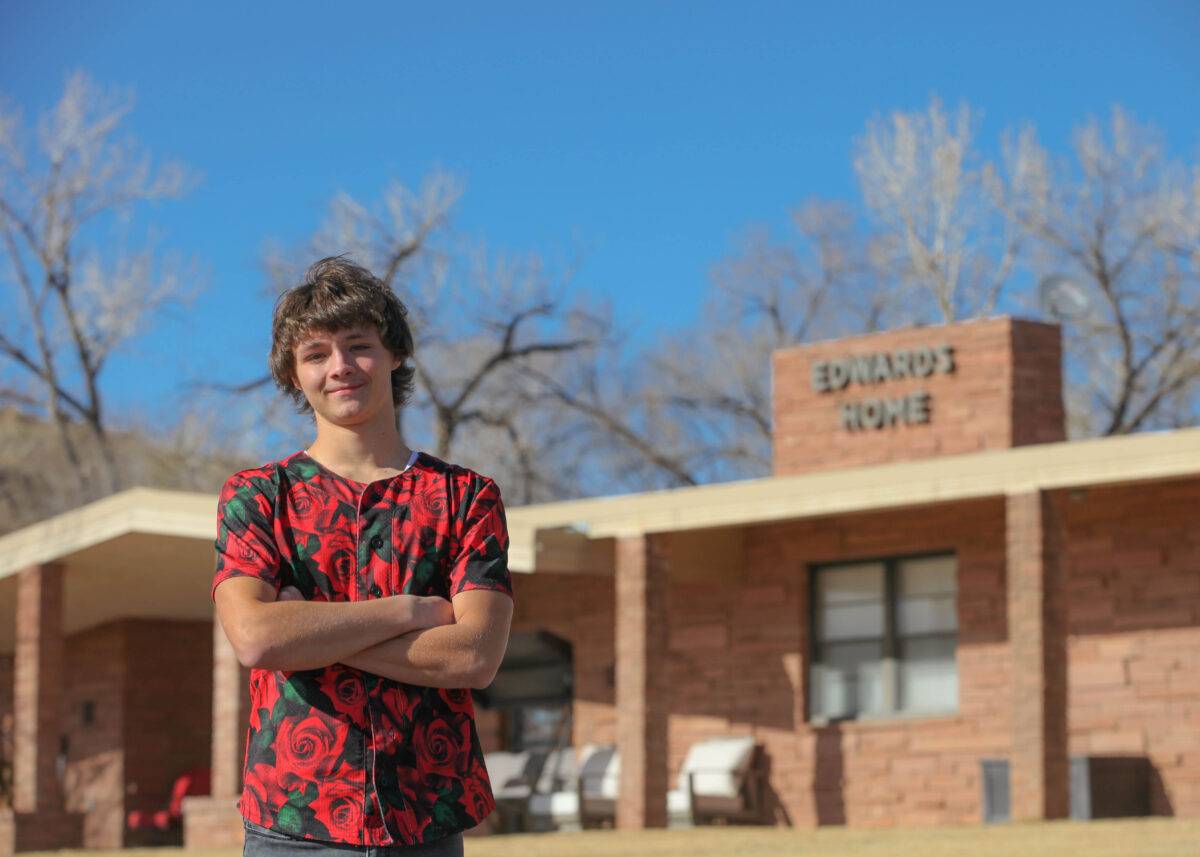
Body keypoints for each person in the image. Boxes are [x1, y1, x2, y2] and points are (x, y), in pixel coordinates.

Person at [211, 256, 514, 857]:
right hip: (292, 824)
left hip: (426, 820)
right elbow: (255, 641)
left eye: (358, 346)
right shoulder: (257, 496)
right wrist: (411, 612)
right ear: (294, 375)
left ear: (395, 354)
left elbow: (474, 656)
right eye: (316, 353)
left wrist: (310, 631)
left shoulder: (465, 498)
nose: (341, 367)